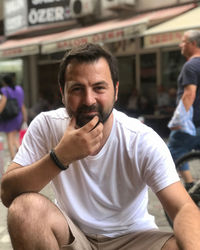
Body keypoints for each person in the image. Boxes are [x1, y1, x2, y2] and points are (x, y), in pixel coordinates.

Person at [1, 43, 200, 250]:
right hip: (73, 236)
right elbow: (7, 193)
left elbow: (184, 208)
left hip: (133, 239)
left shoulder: (140, 139)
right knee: (24, 210)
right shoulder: (47, 125)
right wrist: (60, 157)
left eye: (99, 88)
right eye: (77, 89)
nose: (89, 100)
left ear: (115, 91)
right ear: (63, 93)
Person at [168, 29, 200, 191]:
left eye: (184, 42)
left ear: (193, 44)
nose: (180, 45)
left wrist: (178, 119)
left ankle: (191, 186)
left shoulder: (191, 65)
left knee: (174, 149)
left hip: (192, 123)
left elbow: (189, 94)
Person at [0, 75, 27, 159]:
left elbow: (3, 103)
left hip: (9, 117)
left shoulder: (4, 90)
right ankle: (20, 154)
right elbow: (22, 104)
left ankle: (13, 158)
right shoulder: (19, 89)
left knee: (9, 138)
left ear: (4, 82)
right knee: (14, 137)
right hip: (18, 116)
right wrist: (24, 116)